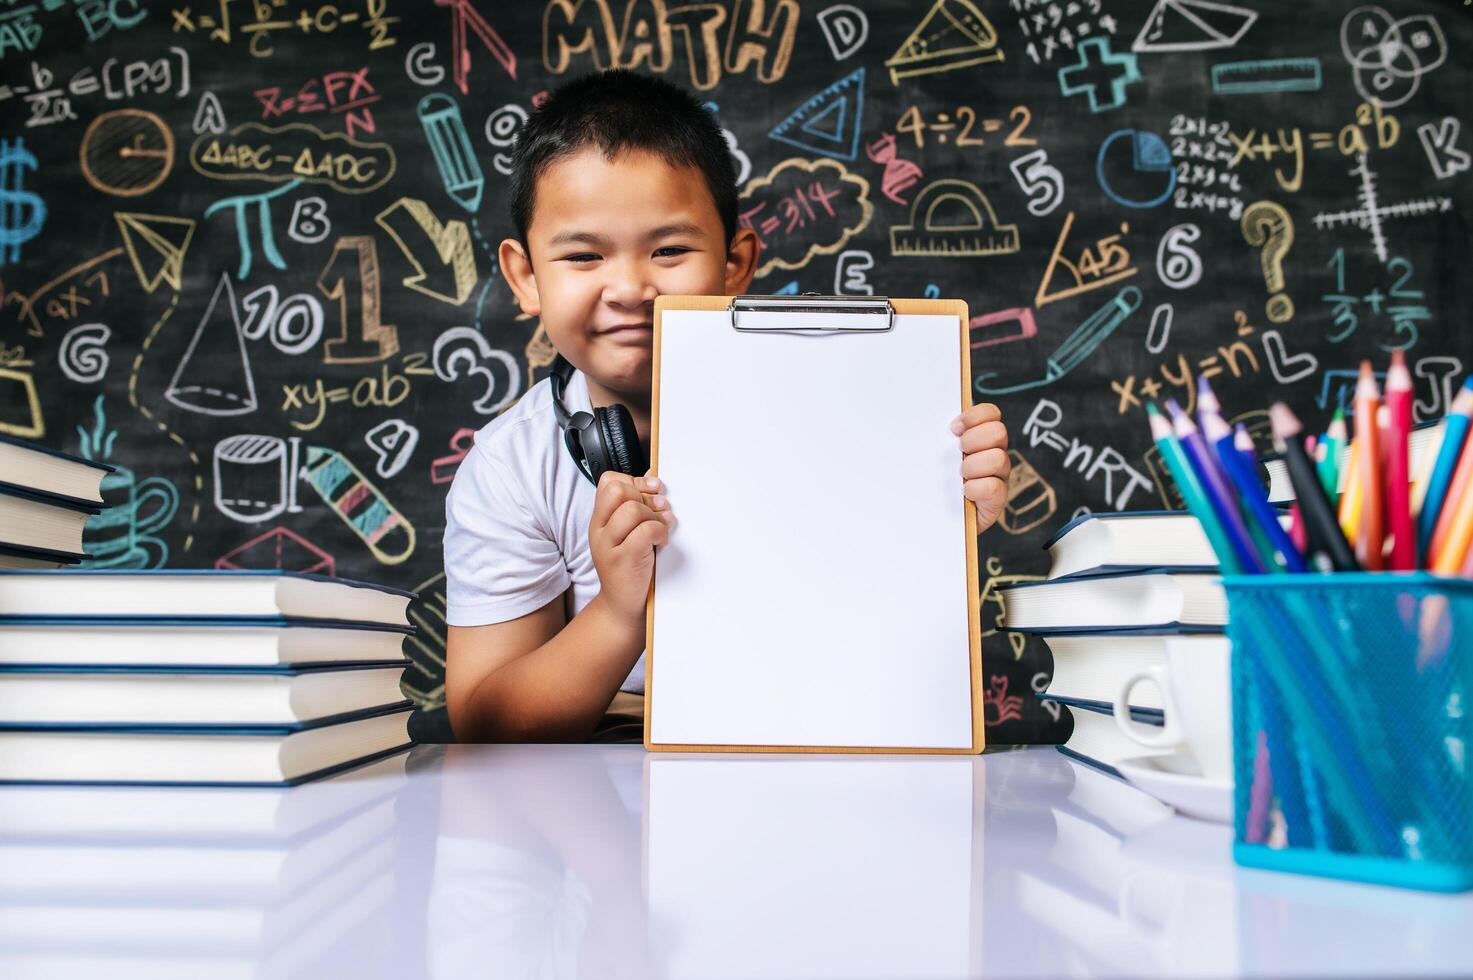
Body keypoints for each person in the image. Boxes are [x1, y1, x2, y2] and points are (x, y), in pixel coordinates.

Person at [443, 69, 1011, 743]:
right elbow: (484, 719)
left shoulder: (846, 418)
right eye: (583, 255)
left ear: (736, 263)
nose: (628, 286)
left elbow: (875, 633)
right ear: (525, 277)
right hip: (605, 766)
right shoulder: (512, 467)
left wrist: (932, 523)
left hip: (820, 735)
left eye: (669, 250)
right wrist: (621, 610)